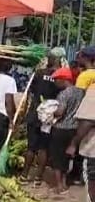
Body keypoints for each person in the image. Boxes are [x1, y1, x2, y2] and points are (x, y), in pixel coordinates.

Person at [22, 48, 63, 182]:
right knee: (43, 147)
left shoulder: (38, 73)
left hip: (35, 114)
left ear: (52, 59)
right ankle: (38, 178)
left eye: (49, 58)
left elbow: (30, 92)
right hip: (48, 117)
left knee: (31, 147)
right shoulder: (60, 78)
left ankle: (24, 175)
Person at [48, 68, 83, 194]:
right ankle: (64, 182)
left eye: (56, 80)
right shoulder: (80, 92)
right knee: (67, 157)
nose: (55, 82)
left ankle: (59, 186)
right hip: (75, 129)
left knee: (57, 158)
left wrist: (50, 111)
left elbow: (60, 112)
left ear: (64, 79)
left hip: (61, 129)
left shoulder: (63, 94)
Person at [67, 82, 95, 202]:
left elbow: (87, 122)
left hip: (93, 151)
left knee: (92, 187)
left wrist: (74, 143)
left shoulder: (93, 91)